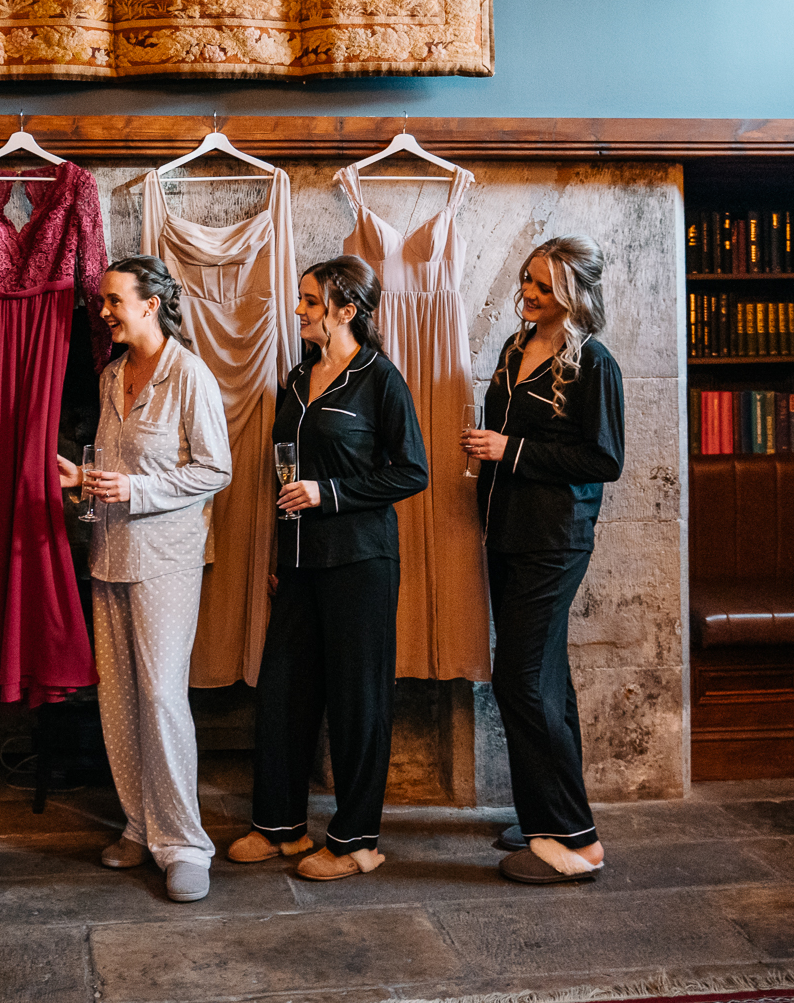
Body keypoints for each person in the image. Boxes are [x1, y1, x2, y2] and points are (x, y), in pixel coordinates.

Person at [227, 256, 428, 881]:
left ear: (347, 311)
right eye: (302, 300)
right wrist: (278, 556)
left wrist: (329, 493)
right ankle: (280, 827)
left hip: (361, 563)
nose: (299, 311)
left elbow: (411, 471)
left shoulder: (380, 379)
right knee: (283, 693)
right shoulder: (294, 381)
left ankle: (357, 840)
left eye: (311, 302)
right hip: (298, 563)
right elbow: (284, 472)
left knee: (357, 700)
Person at [57, 256, 232, 903]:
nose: (103, 311)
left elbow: (216, 470)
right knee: (121, 699)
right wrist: (83, 481)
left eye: (112, 300)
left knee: (161, 696)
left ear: (150, 304)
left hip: (167, 558)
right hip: (109, 552)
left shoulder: (191, 376)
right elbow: (110, 463)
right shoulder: (110, 378)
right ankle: (140, 823)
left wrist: (137, 489)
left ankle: (185, 844)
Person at [460, 235, 624, 885]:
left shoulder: (595, 365)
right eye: (526, 280)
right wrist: (488, 452)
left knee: (519, 681)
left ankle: (577, 843)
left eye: (542, 286)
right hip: (506, 533)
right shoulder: (515, 346)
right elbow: (508, 435)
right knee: (548, 680)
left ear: (572, 294)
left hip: (554, 541)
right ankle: (543, 819)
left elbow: (603, 460)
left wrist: (511, 452)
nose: (526, 294)